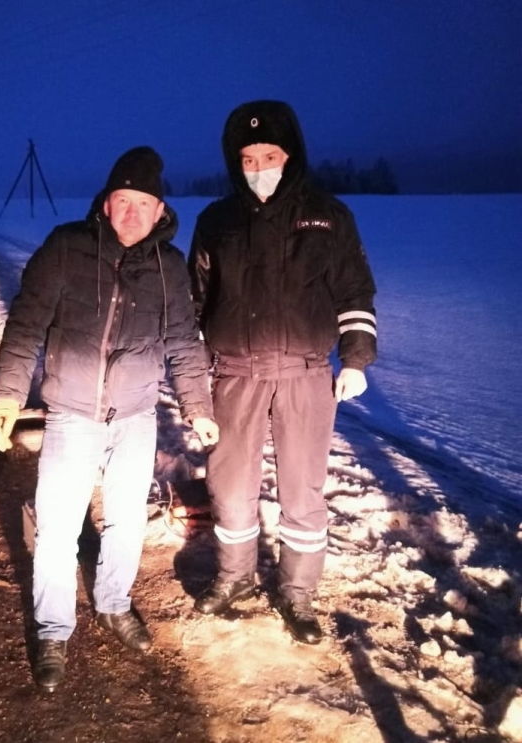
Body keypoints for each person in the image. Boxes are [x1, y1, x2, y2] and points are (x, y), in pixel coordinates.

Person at [0, 146, 218, 691]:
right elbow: (24, 328)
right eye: (122, 200)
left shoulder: (169, 267)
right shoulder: (65, 249)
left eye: (144, 203)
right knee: (59, 527)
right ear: (105, 204)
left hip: (136, 416)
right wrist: (6, 398)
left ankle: (113, 604)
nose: (132, 213)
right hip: (71, 416)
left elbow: (183, 343)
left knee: (126, 520)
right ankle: (52, 628)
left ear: (160, 211)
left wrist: (198, 407)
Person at [188, 101, 377, 644]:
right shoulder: (215, 221)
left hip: (305, 374)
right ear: (235, 163)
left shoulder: (329, 215)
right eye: (248, 158)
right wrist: (195, 378)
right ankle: (235, 577)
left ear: (290, 156)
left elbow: (354, 290)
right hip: (235, 374)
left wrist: (357, 356)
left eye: (269, 155)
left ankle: (297, 594)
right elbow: (194, 304)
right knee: (229, 484)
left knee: (302, 488)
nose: (259, 167)